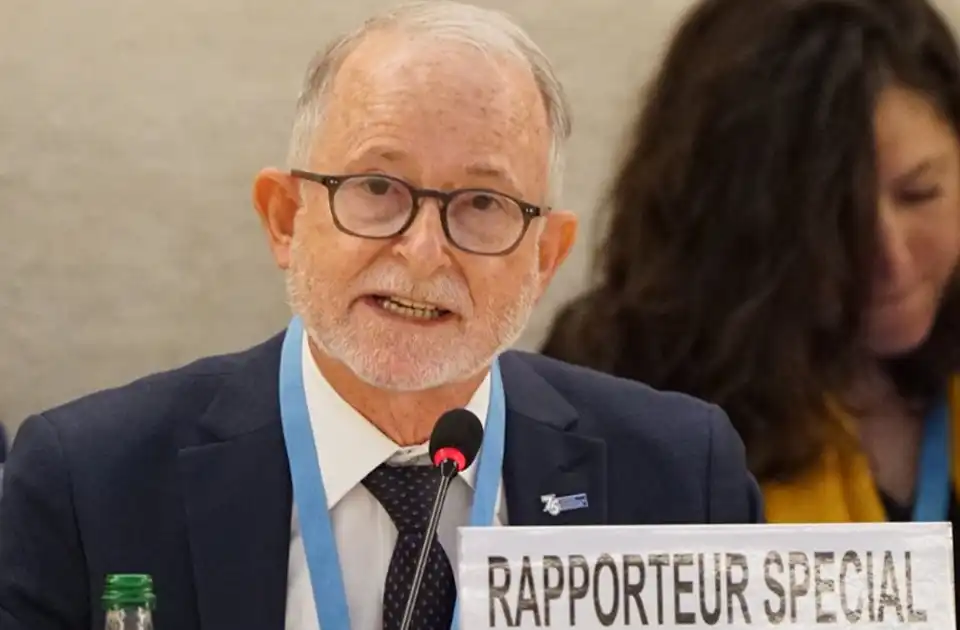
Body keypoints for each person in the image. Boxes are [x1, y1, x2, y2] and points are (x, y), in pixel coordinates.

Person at [0, 2, 761, 629]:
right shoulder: (89, 484)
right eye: (376, 188)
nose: (424, 252)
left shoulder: (678, 478)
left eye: (483, 203)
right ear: (285, 218)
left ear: (545, 258)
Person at [542, 0, 960, 613]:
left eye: (920, 193)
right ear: (736, 222)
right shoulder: (613, 400)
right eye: (835, 219)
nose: (892, 259)